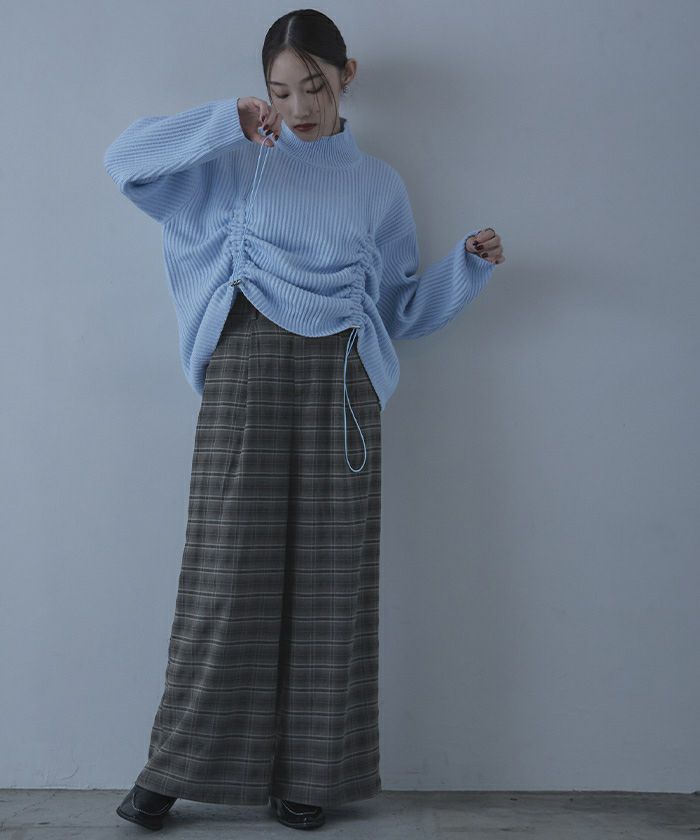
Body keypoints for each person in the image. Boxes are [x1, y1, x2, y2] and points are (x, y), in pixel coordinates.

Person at [104, 7, 505, 832]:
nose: (298, 108)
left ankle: (311, 776)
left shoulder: (378, 185)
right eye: (280, 91)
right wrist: (225, 118)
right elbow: (126, 163)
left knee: (332, 583)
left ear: (346, 76)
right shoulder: (234, 160)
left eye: (313, 87)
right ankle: (173, 769)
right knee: (225, 576)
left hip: (342, 383)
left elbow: (397, 307)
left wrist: (464, 270)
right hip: (245, 373)